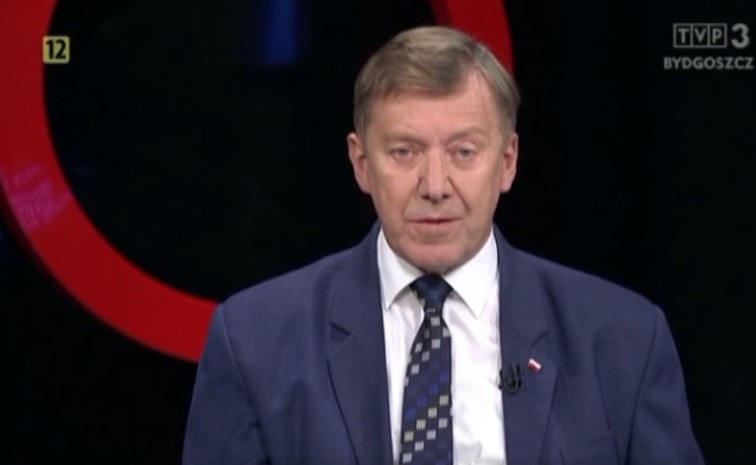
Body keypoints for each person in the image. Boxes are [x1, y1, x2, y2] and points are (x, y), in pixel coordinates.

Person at [183, 26, 704, 465]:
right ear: (361, 163)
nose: (435, 185)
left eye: (464, 152)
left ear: (507, 162)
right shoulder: (254, 341)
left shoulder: (623, 338)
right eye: (405, 152)